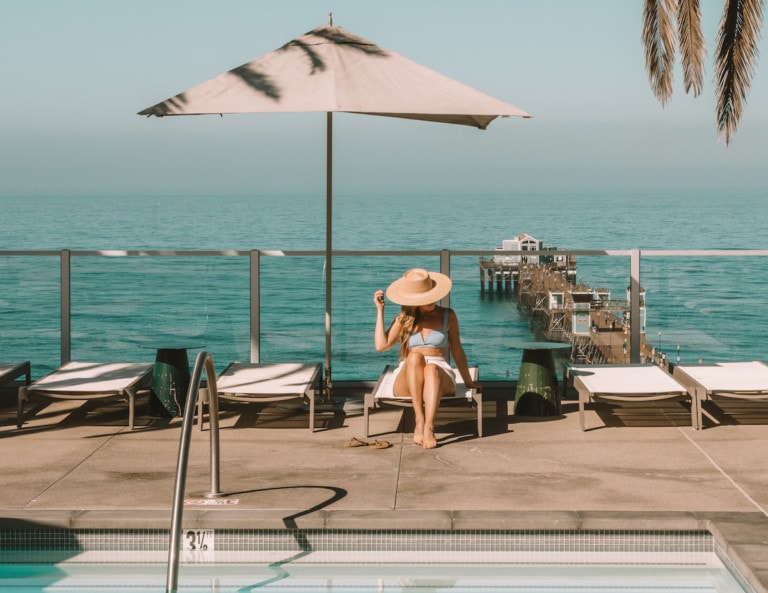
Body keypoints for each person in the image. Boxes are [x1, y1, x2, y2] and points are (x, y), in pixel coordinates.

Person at [373, 268, 481, 449]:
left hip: (439, 373)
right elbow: (381, 345)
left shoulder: (448, 315)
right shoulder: (404, 319)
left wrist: (468, 382)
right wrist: (380, 311)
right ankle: (419, 420)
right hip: (409, 375)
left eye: (432, 295)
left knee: (431, 368)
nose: (431, 300)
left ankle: (429, 426)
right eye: (425, 297)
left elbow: (457, 350)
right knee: (414, 356)